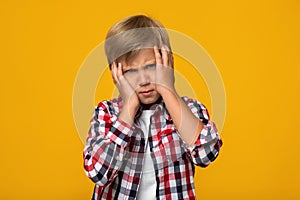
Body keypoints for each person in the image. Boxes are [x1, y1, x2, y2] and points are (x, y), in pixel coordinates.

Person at [83, 14, 223, 200]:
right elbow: (98, 173)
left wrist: (168, 90)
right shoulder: (107, 113)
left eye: (151, 67)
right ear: (115, 73)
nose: (143, 80)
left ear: (167, 61)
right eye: (131, 71)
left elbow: (206, 154)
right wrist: (130, 106)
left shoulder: (189, 109)